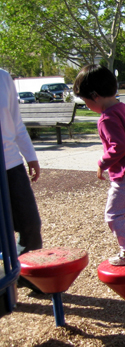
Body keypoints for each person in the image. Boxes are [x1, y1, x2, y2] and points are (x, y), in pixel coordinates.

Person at [73, 65, 125, 266]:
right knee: (124, 212)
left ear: (94, 96)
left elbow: (120, 146)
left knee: (113, 214)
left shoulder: (106, 118)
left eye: (85, 100)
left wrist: (102, 162)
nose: (86, 104)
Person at [0, 68, 44, 292]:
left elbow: (16, 123)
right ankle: (5, 283)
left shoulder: (3, 78)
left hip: (11, 164)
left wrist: (31, 157)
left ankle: (27, 275)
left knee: (30, 224)